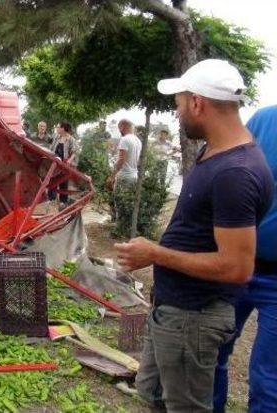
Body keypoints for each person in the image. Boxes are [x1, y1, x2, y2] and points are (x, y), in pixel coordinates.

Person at [114, 59, 274, 412]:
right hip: (175, 308)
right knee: (153, 393)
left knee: (185, 405)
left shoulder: (235, 172)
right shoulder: (214, 151)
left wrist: (155, 253)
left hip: (194, 316)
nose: (177, 113)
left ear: (198, 103)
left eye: (179, 104)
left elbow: (236, 268)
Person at [213, 105, 277, 413]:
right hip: (233, 266)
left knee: (268, 375)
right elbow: (226, 162)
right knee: (213, 353)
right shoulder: (265, 119)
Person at [49, 121, 78, 206]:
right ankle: (51, 198)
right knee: (53, 180)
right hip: (55, 162)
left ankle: (63, 201)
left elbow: (75, 151)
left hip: (65, 164)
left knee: (63, 182)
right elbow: (51, 147)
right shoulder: (56, 137)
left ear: (63, 128)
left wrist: (69, 160)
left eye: (58, 127)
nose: (57, 129)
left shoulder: (71, 139)